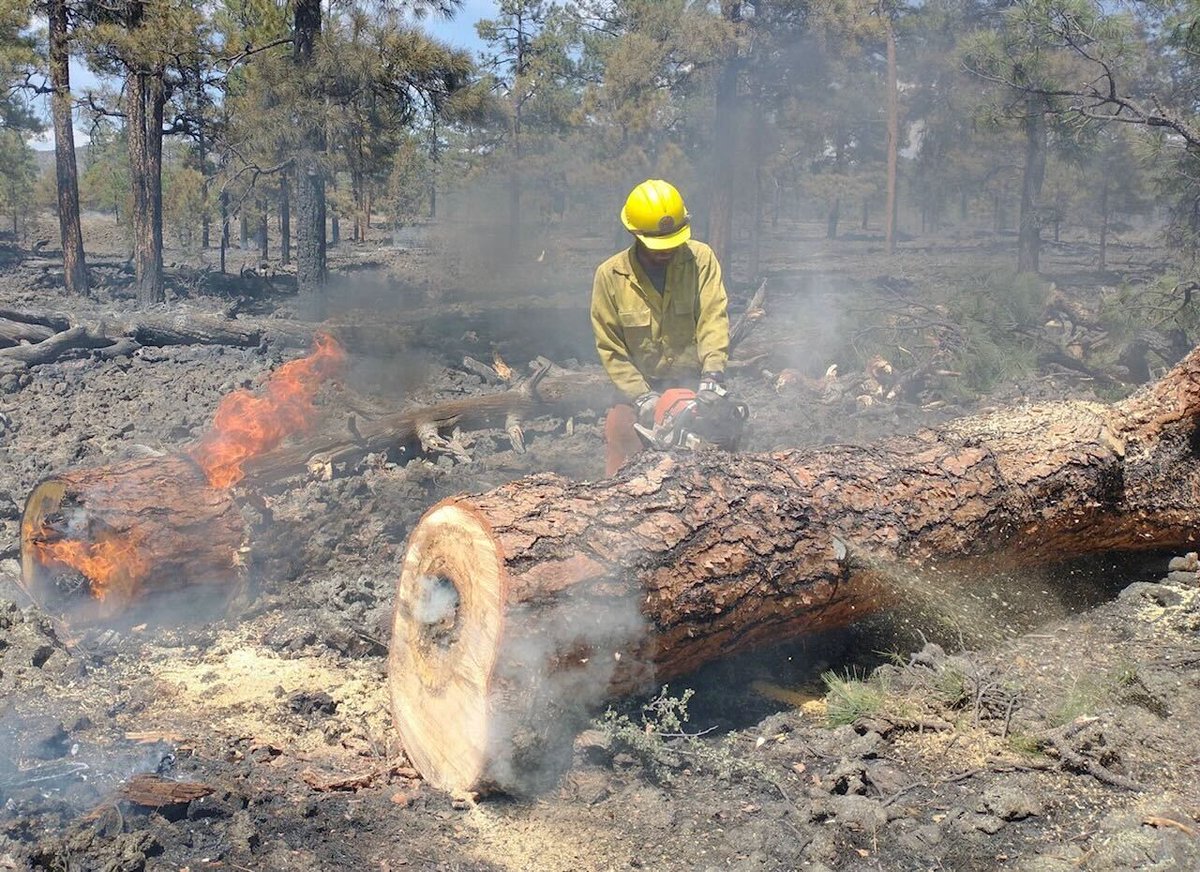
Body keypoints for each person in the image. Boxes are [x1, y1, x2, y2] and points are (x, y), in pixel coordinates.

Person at [591, 179, 731, 475]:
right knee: (621, 441)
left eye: (672, 241)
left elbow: (713, 318)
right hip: (638, 390)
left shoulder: (701, 260)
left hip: (695, 383)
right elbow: (610, 348)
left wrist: (712, 376)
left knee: (718, 459)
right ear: (635, 233)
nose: (666, 250)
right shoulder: (610, 276)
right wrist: (642, 397)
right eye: (658, 244)